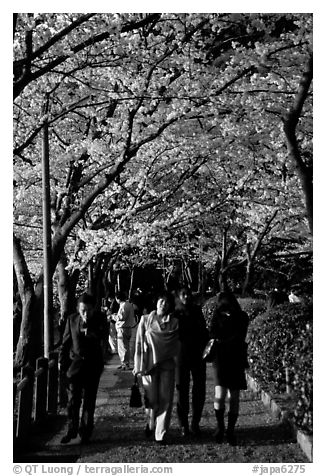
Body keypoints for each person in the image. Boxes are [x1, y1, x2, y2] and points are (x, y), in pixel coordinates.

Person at [133, 292, 179, 444]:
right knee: (151, 399)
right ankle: (150, 422)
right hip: (149, 364)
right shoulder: (145, 320)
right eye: (161, 300)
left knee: (165, 399)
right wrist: (137, 365)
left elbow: (176, 345)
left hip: (167, 365)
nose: (163, 304)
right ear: (156, 301)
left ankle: (161, 433)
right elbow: (139, 343)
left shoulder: (174, 323)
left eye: (166, 302)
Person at [59, 293, 105, 444]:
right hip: (75, 365)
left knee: (89, 401)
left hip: (93, 365)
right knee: (73, 400)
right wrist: (62, 364)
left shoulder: (100, 319)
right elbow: (65, 343)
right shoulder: (72, 320)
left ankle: (85, 431)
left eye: (89, 310)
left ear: (93, 309)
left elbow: (102, 337)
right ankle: (71, 430)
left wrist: (89, 329)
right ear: (78, 309)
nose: (85, 313)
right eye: (83, 310)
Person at [207, 291, 249, 445]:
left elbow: (239, 334)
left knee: (234, 395)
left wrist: (223, 337)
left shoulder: (242, 316)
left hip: (235, 358)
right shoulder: (217, 315)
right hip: (221, 358)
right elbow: (212, 334)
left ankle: (230, 430)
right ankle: (221, 427)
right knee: (221, 393)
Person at [174, 287, 209, 437]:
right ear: (179, 296)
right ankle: (183, 424)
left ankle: (195, 422)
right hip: (180, 355)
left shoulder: (197, 310)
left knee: (199, 390)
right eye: (183, 294)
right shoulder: (175, 313)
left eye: (188, 294)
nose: (186, 297)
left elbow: (204, 332)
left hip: (197, 355)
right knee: (182, 390)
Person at [114, 291, 136, 370]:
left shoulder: (124, 306)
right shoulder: (129, 305)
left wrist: (113, 316)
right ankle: (124, 363)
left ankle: (125, 364)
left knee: (123, 347)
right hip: (128, 328)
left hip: (123, 328)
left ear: (118, 298)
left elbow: (121, 317)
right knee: (125, 346)